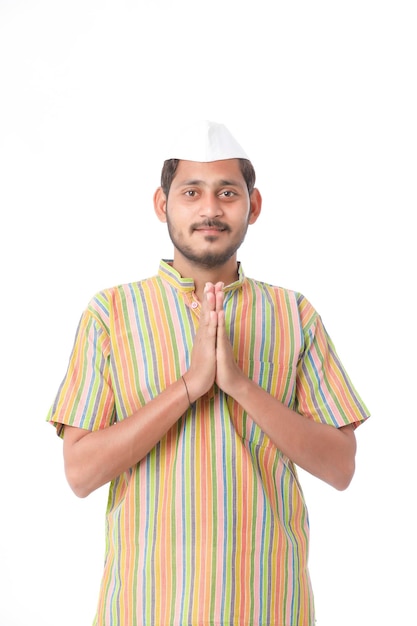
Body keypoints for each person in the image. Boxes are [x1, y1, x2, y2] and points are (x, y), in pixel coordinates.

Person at [47, 120, 370, 626]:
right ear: (163, 205)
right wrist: (189, 387)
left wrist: (239, 386)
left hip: (268, 603)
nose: (210, 209)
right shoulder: (111, 313)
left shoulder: (293, 314)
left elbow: (341, 467)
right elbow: (81, 473)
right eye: (191, 192)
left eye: (227, 193)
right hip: (144, 606)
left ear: (253, 206)